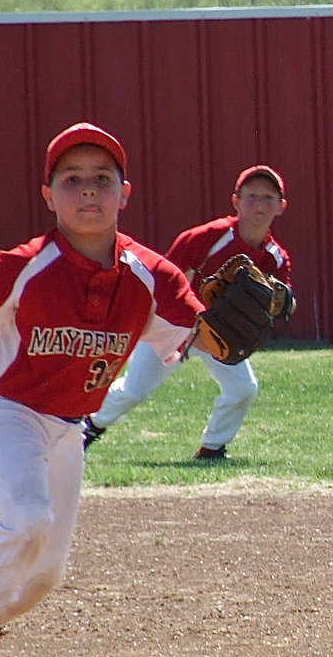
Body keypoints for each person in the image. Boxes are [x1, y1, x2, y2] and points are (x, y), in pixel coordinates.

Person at [0, 122, 227, 657]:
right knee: (28, 521)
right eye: (72, 179)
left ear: (124, 194)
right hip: (3, 408)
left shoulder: (152, 276)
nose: (88, 190)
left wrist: (230, 330)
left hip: (66, 428)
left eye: (102, 179)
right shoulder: (23, 265)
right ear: (48, 196)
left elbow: (209, 338)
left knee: (44, 574)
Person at [81, 165, 293, 460]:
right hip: (174, 323)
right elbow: (164, 276)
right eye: (252, 196)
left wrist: (282, 301)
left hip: (220, 332)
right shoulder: (206, 237)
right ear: (236, 201)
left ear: (281, 207)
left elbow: (282, 300)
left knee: (243, 388)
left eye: (268, 198)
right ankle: (88, 428)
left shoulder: (275, 257)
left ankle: (212, 449)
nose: (259, 204)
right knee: (134, 390)